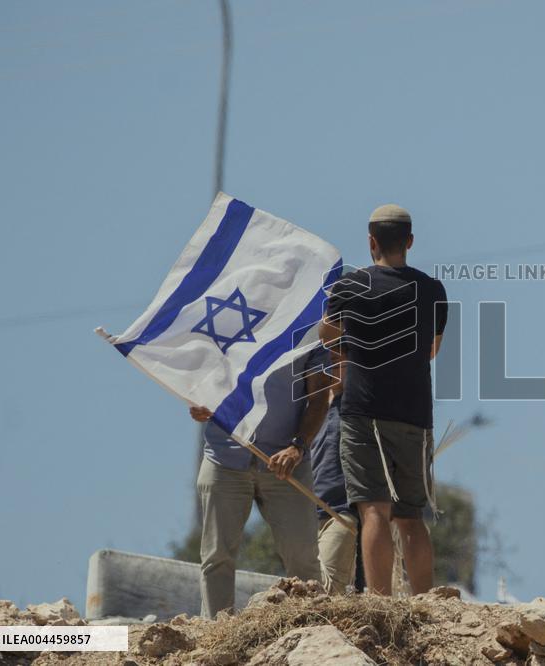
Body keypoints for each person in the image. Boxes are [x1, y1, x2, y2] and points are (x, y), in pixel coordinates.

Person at [319, 204, 447, 595]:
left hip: (363, 413)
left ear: (371, 242)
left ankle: (380, 602)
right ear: (409, 242)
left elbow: (326, 334)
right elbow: (431, 351)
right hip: (414, 414)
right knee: (411, 516)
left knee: (373, 509)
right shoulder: (432, 290)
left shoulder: (348, 287)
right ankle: (426, 602)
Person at [189, 347, 331, 618]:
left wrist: (297, 447)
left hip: (287, 464)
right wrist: (199, 400)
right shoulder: (231, 322)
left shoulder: (309, 331)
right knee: (216, 556)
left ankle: (314, 626)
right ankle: (217, 633)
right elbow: (202, 373)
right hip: (224, 457)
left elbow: (319, 397)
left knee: (302, 555)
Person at [310, 369, 358, 594]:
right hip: (306, 515)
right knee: (304, 588)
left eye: (340, 358)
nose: (333, 365)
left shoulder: (359, 404)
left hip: (342, 512)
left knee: (327, 588)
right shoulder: (313, 407)